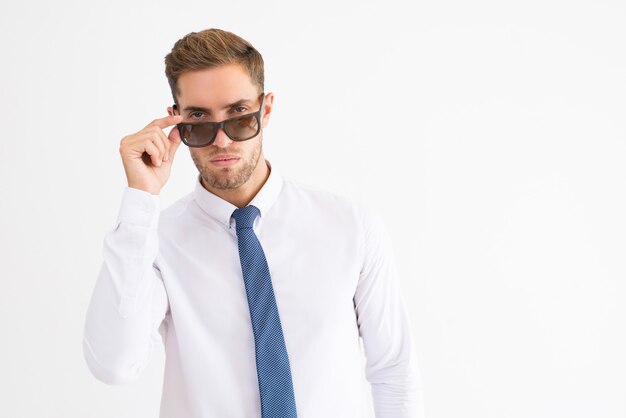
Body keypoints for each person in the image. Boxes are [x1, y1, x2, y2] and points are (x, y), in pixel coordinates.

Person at [82, 28, 425, 418]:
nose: (222, 141)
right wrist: (140, 200)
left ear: (266, 108)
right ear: (175, 121)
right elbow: (113, 365)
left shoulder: (351, 227)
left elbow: (393, 371)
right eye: (199, 120)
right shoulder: (155, 241)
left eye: (239, 116)